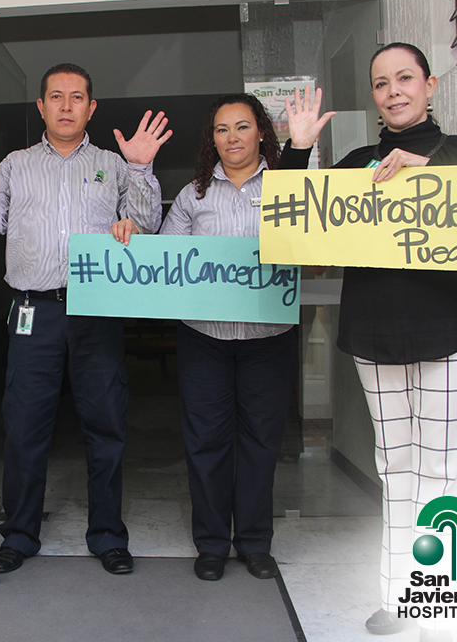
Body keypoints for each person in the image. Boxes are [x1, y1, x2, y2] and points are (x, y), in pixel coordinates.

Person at [0, 62, 171, 576]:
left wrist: (141, 168)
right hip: (33, 312)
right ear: (40, 106)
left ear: (91, 107)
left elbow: (147, 223)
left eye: (77, 97)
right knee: (24, 427)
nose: (66, 106)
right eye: (56, 97)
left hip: (96, 311)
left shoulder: (113, 163)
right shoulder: (16, 165)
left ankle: (108, 535)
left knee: (105, 426)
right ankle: (19, 535)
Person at [300, 43, 457, 642]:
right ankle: (399, 596)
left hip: (452, 330)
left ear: (429, 85)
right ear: (374, 95)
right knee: (396, 467)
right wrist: (299, 149)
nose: (393, 91)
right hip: (375, 334)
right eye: (381, 83)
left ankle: (444, 606)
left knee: (444, 471)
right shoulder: (358, 163)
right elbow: (294, 215)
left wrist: (424, 166)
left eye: (405, 78)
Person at [112, 89, 333, 582]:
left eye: (242, 126)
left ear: (261, 133)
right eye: (221, 129)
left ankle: (254, 543)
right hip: (204, 339)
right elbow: (166, 260)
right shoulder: (194, 195)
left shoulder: (287, 186)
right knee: (206, 442)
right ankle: (211, 544)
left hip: (268, 338)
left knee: (261, 443)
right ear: (211, 139)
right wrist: (133, 237)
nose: (232, 137)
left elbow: (316, 258)